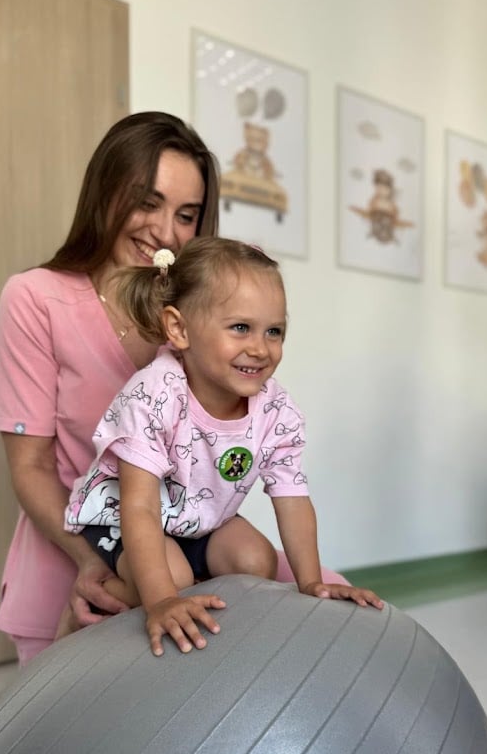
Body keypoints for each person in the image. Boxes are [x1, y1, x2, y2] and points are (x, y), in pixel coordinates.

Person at [0, 112, 350, 666]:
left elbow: (280, 483)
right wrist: (93, 564)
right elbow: (30, 466)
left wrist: (311, 578)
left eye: (186, 215)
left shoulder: (207, 313)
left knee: (331, 611)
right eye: (146, 203)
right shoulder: (36, 299)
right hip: (86, 542)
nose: (165, 232)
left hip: (194, 536)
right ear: (104, 193)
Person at [63, 238, 383, 656]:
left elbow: (292, 497)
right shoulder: (154, 395)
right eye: (240, 328)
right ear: (179, 329)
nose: (260, 348)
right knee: (172, 578)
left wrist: (311, 583)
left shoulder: (275, 408)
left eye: (274, 331)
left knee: (255, 560)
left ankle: (194, 598)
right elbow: (139, 506)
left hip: (198, 517)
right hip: (123, 516)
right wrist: (161, 600)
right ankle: (102, 599)